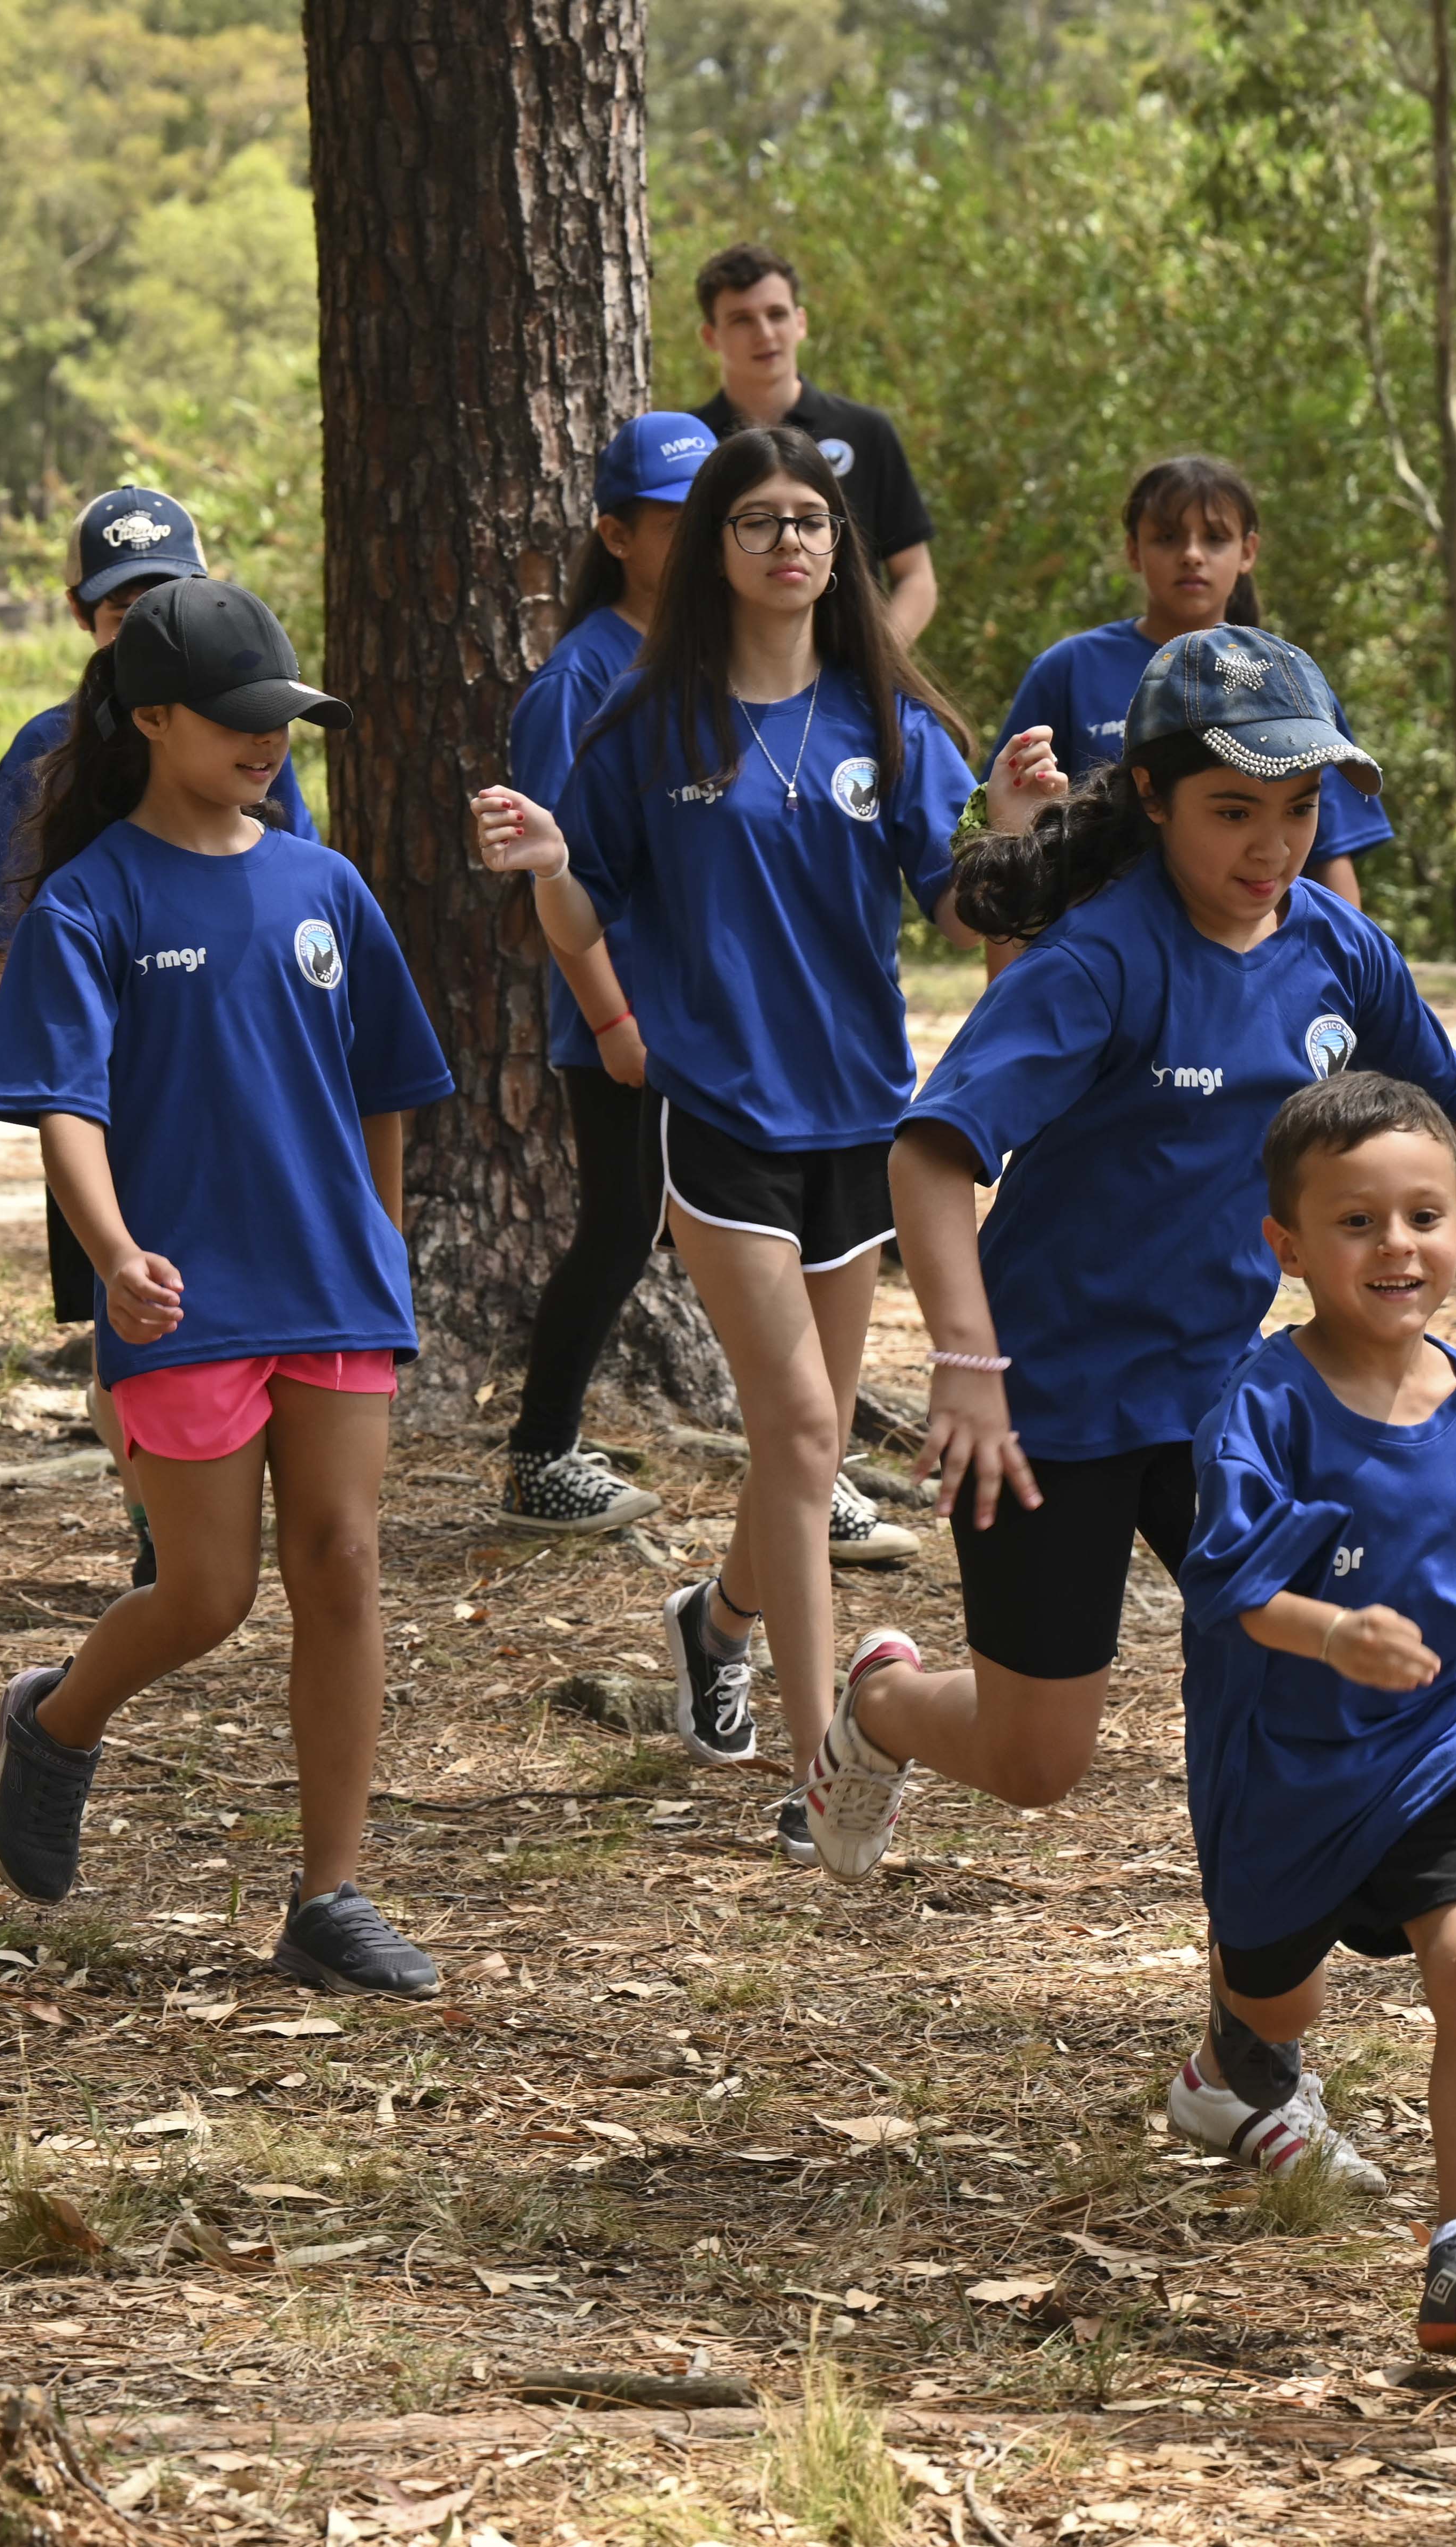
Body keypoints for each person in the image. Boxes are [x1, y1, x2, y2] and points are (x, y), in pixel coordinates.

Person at [795, 625, 1456, 2189]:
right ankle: (879, 1704)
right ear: (1151, 797)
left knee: (1302, 1682)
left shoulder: (1334, 950)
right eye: (1233, 812)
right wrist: (967, 1364)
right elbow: (929, 1154)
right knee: (1040, 1756)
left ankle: (1241, 2061)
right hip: (1046, 1405)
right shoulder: (1099, 959)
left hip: (1230, 1408)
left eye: (1300, 811)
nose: (1270, 849)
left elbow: (1450, 1093)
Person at [472, 426, 986, 1867]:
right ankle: (824, 1770)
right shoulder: (645, 724)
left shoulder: (887, 725)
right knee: (805, 1439)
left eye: (811, 522)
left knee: (794, 1446)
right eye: (758, 523)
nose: (789, 545)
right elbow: (577, 920)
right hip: (720, 1123)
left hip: (862, 1125)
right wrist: (556, 869)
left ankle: (716, 1623)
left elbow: (961, 909)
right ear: (714, 547)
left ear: (838, 546)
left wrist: (1015, 827)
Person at [0, 577, 459, 1995]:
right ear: (154, 720)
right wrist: (116, 1256)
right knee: (206, 1596)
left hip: (329, 1285)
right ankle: (56, 1720)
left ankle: (328, 1897)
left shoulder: (326, 886)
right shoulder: (93, 899)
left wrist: (379, 1232)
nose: (270, 742)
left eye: (285, 721)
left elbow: (388, 1084)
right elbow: (63, 1102)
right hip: (180, 1298)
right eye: (242, 722)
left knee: (345, 1567)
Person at [1183, 1071, 1456, 2352]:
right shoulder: (1261, 1405)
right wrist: (1336, 1632)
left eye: (1425, 1217)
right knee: (1278, 2000)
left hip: (1442, 1740)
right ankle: (1237, 2052)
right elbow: (1232, 1583)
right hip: (1285, 1762)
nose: (1397, 1248)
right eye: (1358, 1223)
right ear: (1288, 1247)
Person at [0, 487, 311, 1588]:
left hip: (235, 1083)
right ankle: (161, 1519)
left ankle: (213, 1501)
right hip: (96, 1092)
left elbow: (302, 903)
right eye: (118, 603)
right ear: (80, 615)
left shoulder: (250, 735)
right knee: (122, 1316)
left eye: (165, 592)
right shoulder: (45, 750)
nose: (141, 616)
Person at [491, 408, 709, 1535]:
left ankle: (803, 1465)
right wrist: (615, 1021)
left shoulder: (722, 659)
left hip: (711, 1008)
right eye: (674, 519)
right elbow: (553, 880)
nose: (701, 535)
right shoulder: (578, 682)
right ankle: (539, 1456)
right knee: (624, 1223)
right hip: (621, 1018)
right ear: (618, 535)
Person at [992, 455, 1388, 911]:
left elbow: (1329, 852)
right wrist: (1012, 979)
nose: (1192, 554)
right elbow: (1009, 838)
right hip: (1098, 954)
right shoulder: (1068, 669)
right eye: (1167, 537)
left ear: (1248, 551)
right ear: (1134, 551)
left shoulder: (1289, 678)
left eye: (1216, 538)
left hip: (1244, 955)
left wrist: (1349, 971)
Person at [690, 244, 940, 646]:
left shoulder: (865, 430)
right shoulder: (692, 443)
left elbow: (916, 577)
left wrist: (876, 664)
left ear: (801, 322)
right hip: (721, 681)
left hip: (848, 675)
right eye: (741, 320)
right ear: (710, 337)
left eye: (777, 314)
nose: (765, 334)